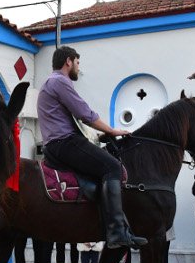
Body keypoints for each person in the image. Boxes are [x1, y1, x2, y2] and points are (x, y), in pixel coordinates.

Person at [36, 46, 147, 250]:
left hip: (55, 144)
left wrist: (99, 136)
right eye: (78, 63)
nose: (79, 68)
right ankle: (117, 233)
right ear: (68, 61)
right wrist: (112, 130)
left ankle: (113, 226)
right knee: (113, 167)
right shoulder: (60, 81)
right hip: (65, 143)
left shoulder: (49, 83)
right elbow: (85, 114)